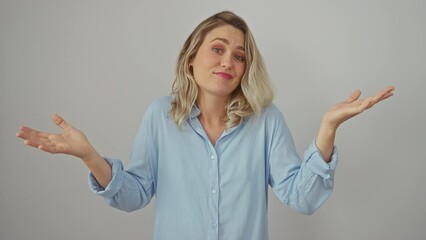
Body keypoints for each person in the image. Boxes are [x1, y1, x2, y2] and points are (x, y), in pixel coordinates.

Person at [16, 11, 394, 240]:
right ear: (190, 58)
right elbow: (134, 195)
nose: (228, 60)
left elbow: (303, 198)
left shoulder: (266, 120)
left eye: (240, 55)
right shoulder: (160, 116)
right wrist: (88, 155)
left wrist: (328, 128)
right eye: (218, 48)